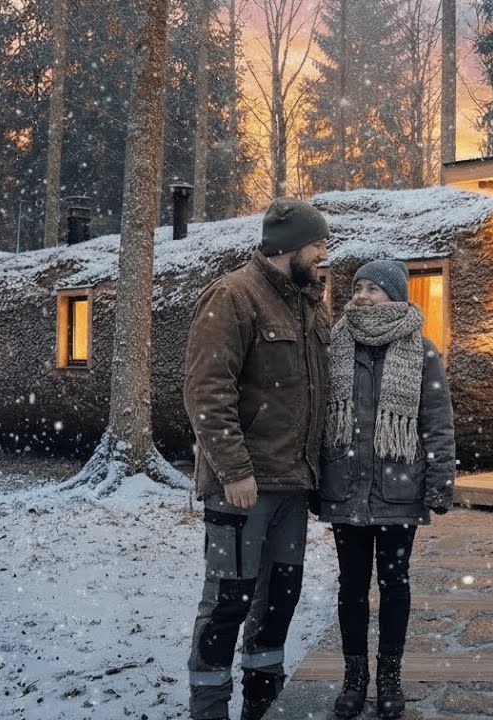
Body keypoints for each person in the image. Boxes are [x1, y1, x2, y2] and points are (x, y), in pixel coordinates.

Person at [183, 197, 331, 720]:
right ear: (289, 247)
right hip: (242, 490)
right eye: (318, 245)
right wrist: (234, 470)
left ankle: (263, 704)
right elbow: (207, 391)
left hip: (292, 488)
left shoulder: (311, 303)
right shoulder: (232, 296)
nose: (323, 255)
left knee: (279, 602)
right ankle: (209, 708)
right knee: (227, 601)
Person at [316, 259, 456, 720]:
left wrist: (439, 483)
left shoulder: (422, 351)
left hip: (398, 491)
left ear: (395, 295)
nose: (362, 295)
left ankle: (390, 678)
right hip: (345, 488)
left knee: (394, 585)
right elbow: (316, 420)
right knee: (351, 586)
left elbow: (437, 423)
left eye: (374, 288)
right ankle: (354, 678)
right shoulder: (333, 344)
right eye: (358, 287)